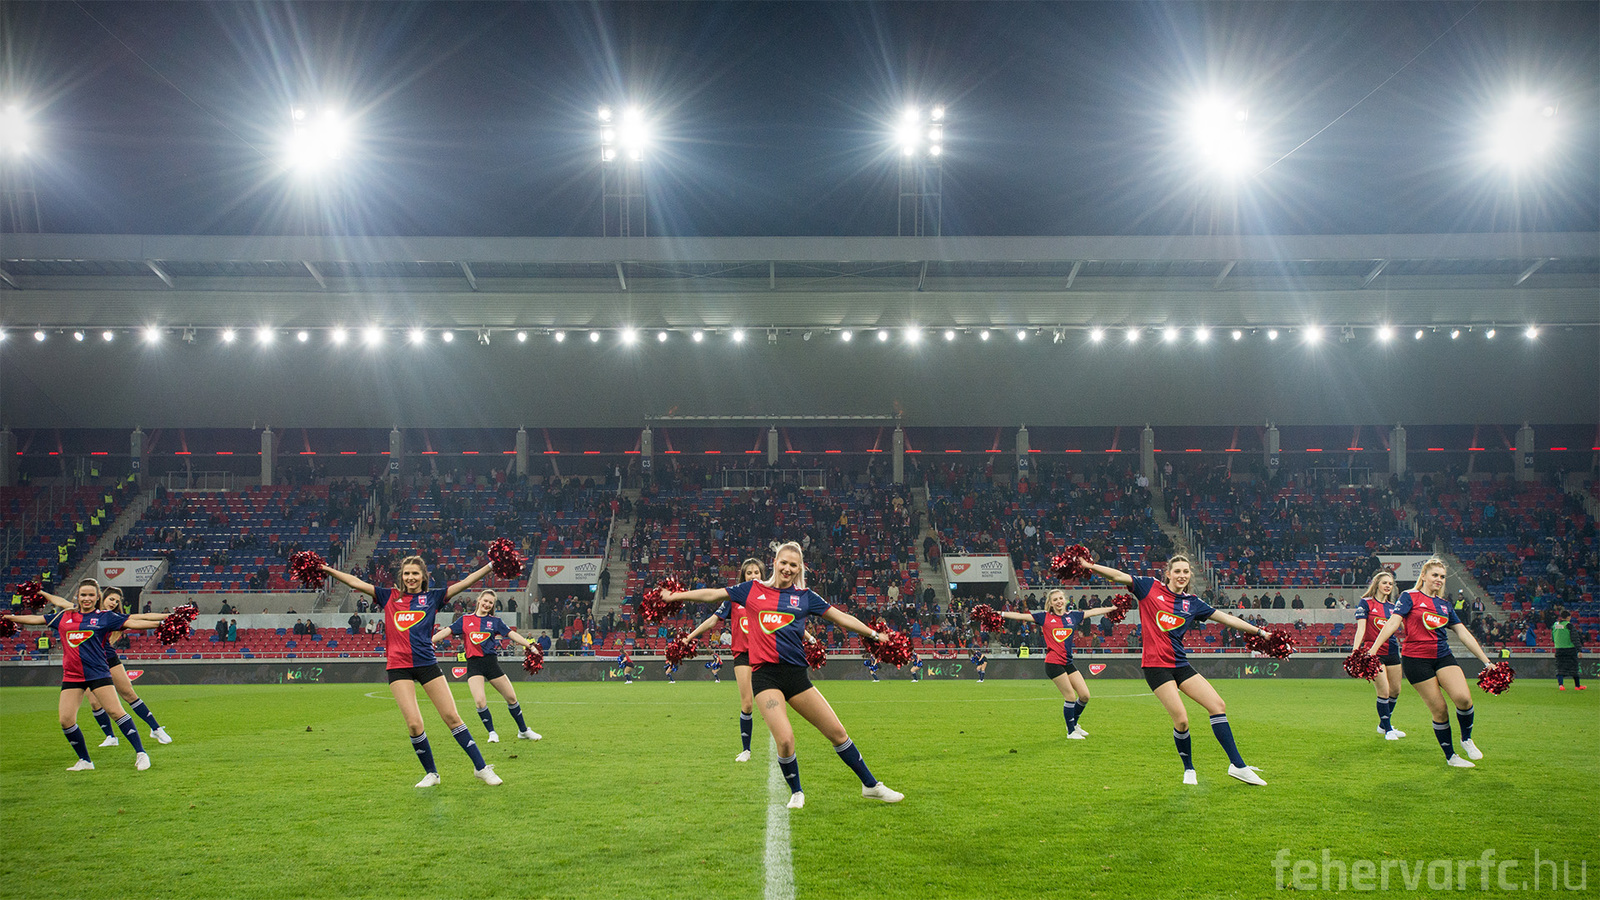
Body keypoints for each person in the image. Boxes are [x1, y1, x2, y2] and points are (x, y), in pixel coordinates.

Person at [668, 541, 903, 808]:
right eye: (783, 563)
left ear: (799, 568)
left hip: (796, 678)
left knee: (837, 732)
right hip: (766, 678)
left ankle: (871, 786)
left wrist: (875, 635)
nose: (787, 568)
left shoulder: (805, 597)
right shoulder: (752, 590)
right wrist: (675, 596)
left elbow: (841, 617)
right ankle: (797, 791)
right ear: (775, 563)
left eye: (793, 565)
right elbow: (712, 595)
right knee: (786, 740)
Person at [1083, 555, 1274, 786]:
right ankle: (1189, 768)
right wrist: (1089, 566)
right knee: (1182, 721)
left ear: (1190, 575)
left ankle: (1238, 766)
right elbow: (1117, 575)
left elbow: (1225, 618)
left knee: (1217, 705)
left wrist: (1260, 633)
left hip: (1180, 665)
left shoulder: (1192, 602)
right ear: (1168, 574)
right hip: (1156, 667)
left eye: (1185, 571)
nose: (1182, 575)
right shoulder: (1149, 587)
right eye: (1177, 571)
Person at [321, 554, 504, 787]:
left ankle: (481, 768)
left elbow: (465, 582)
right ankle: (432, 774)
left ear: (423, 576)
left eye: (415, 573)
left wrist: (490, 566)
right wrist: (327, 569)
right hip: (398, 668)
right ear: (402, 576)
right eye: (406, 573)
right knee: (415, 725)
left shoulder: (433, 597)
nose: (410, 577)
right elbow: (354, 582)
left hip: (427, 664)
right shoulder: (388, 596)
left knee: (451, 717)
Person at [3, 578, 169, 771]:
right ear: (77, 596)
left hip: (98, 674)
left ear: (97, 597)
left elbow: (133, 622)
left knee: (116, 712)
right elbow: (36, 620)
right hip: (72, 676)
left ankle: (141, 754)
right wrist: (8, 618)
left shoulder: (105, 617)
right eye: (83, 595)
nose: (87, 598)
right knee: (66, 720)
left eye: (91, 595)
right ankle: (85, 761)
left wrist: (161, 624)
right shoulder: (64, 616)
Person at [1365, 557, 1496, 768]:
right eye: (1435, 575)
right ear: (1424, 576)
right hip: (1416, 660)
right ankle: (1451, 756)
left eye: (1442, 576)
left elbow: (1463, 634)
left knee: (1463, 699)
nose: (1439, 579)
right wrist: (1372, 651)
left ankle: (1466, 739)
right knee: (1440, 710)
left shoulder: (1445, 605)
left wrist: (1487, 662)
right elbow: (1392, 623)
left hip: (1443, 656)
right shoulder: (1409, 597)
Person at [39, 586, 174, 748]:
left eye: (117, 601)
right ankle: (111, 736)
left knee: (128, 693)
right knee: (95, 703)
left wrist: (168, 617)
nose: (114, 603)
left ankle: (155, 728)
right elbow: (60, 601)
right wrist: (42, 593)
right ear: (101, 598)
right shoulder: (80, 611)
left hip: (109, 659)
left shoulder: (112, 617)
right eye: (111, 599)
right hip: (88, 664)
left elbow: (141, 617)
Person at [1000, 589, 1119, 739]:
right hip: (1053, 663)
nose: (1058, 602)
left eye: (1060, 598)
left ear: (1065, 600)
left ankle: (1074, 724)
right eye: (1055, 600)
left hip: (1068, 662)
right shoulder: (1044, 617)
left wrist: (1112, 608)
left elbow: (1093, 612)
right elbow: (1021, 616)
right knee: (1070, 696)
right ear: (1050, 603)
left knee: (1084, 696)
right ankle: (1071, 732)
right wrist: (1000, 613)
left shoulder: (1073, 616)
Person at [429, 588, 541, 743]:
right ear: (479, 600)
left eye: (491, 603)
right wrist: (429, 642)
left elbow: (512, 634)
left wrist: (529, 645)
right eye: (485, 601)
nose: (487, 604)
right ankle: (492, 733)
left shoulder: (495, 622)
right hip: (474, 665)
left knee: (511, 697)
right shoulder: (465, 620)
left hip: (491, 664)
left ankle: (523, 730)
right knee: (480, 701)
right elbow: (446, 631)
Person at [683, 558, 766, 761]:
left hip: (765, 654)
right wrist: (689, 637)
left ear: (762, 575)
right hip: (743, 655)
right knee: (747, 704)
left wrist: (809, 638)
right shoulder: (733, 598)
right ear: (743, 576)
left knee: (772, 702)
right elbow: (713, 620)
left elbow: (788, 621)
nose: (753, 576)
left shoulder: (771, 596)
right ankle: (746, 750)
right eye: (749, 573)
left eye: (756, 572)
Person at [1351, 571, 1406, 740]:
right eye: (1385, 583)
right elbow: (1361, 628)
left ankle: (1383, 725)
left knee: (1395, 690)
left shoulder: (1393, 607)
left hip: (1392, 651)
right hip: (1373, 653)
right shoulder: (1366, 603)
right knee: (1384, 690)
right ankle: (1388, 729)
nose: (1388, 586)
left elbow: (1404, 627)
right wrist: (1355, 651)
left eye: (1390, 583)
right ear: (1377, 584)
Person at [1553, 609, 1584, 690]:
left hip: (1559, 649)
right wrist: (1579, 650)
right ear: (1568, 617)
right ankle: (1577, 686)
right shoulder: (1569, 626)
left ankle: (1561, 685)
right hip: (1570, 649)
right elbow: (1575, 638)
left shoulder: (1555, 625)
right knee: (1574, 667)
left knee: (1560, 667)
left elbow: (1553, 637)